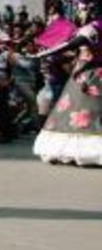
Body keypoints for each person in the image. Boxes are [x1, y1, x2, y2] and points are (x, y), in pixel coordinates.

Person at [32, 10, 102, 166]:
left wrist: (44, 54)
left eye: (83, 9)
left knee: (82, 115)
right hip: (85, 75)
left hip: (90, 77)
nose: (80, 12)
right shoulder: (89, 28)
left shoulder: (94, 26)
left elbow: (71, 45)